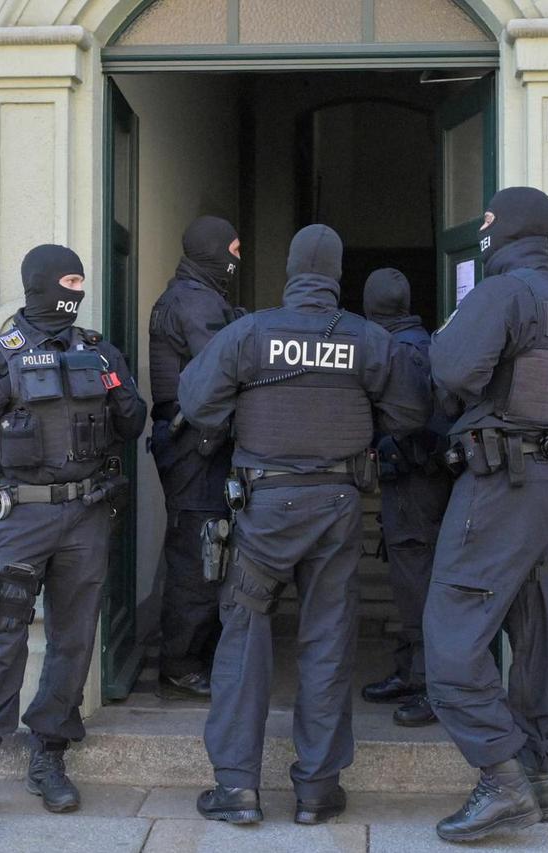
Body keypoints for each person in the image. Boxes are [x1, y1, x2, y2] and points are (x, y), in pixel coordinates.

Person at [178, 224, 430, 827]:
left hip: (263, 507)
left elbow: (196, 403)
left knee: (244, 638)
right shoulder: (366, 339)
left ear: (291, 271)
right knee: (327, 640)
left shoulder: (250, 332)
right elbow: (411, 411)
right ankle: (317, 790)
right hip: (337, 507)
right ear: (337, 274)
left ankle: (237, 789)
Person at [0, 244, 147, 834]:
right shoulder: (0, 353)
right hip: (21, 517)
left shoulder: (97, 349)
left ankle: (49, 755)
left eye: (81, 280)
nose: (77, 291)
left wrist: (121, 390)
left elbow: (132, 426)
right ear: (41, 284)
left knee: (73, 640)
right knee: (1, 640)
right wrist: (4, 388)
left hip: (87, 515)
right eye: (69, 279)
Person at [424, 187, 548, 843]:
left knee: (450, 632)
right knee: (530, 625)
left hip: (500, 483)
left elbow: (449, 370)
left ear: (506, 228)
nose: (482, 226)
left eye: (489, 218)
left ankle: (500, 779)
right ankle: (537, 772)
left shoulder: (503, 294)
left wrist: (496, 405)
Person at [147, 216, 243, 699]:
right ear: (212, 252)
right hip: (194, 447)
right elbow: (223, 367)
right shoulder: (194, 301)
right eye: (232, 248)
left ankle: (191, 655)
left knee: (204, 548)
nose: (237, 258)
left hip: (191, 443)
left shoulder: (195, 296)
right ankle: (181, 662)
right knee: (198, 554)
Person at [359, 268, 453, 727]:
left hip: (416, 481)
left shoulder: (398, 350)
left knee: (417, 582)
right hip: (417, 480)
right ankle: (409, 671)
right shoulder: (422, 341)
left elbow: (417, 422)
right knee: (407, 579)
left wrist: (390, 449)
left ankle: (430, 685)